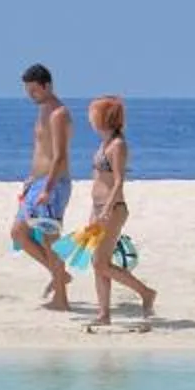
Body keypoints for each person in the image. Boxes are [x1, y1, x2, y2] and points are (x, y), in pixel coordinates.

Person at [79, 95, 159, 330]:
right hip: (97, 210)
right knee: (97, 262)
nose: (90, 118)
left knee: (100, 263)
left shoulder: (117, 145)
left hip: (112, 210)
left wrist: (106, 208)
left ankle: (146, 293)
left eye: (93, 114)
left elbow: (118, 180)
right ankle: (103, 313)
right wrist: (95, 211)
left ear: (103, 117)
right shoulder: (102, 144)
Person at [12, 63, 73, 312]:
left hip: (53, 184)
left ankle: (62, 299)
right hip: (37, 183)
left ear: (47, 86)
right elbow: (41, 151)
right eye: (28, 92)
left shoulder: (59, 114)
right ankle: (60, 277)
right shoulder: (43, 110)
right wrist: (31, 178)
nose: (31, 96)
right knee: (18, 233)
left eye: (35, 91)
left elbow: (59, 156)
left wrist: (47, 188)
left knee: (50, 241)